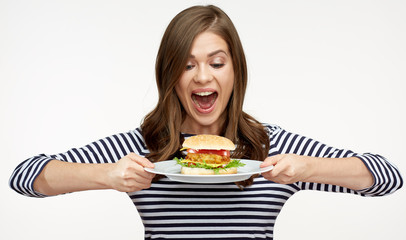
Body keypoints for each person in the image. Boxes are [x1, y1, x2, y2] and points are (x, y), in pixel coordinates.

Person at [9, 5, 403, 240]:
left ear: (236, 71)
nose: (202, 77)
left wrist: (308, 167)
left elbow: (386, 178)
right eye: (187, 65)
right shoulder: (145, 148)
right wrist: (108, 176)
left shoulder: (271, 148)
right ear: (170, 76)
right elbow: (26, 177)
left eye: (216, 63)